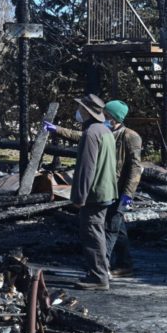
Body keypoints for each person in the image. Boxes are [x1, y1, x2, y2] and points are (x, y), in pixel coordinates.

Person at [47, 100, 142, 276]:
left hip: (119, 190)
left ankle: (102, 268)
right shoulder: (105, 131)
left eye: (107, 115)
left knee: (110, 228)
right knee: (117, 227)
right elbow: (81, 135)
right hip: (108, 186)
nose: (103, 118)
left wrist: (128, 194)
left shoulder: (130, 136)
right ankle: (124, 263)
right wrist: (57, 130)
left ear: (114, 118)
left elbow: (136, 167)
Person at [59, 94, 117, 290]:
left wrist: (78, 197)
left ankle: (98, 276)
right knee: (98, 231)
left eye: (81, 108)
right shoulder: (105, 131)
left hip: (94, 193)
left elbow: (86, 168)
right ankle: (102, 271)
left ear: (86, 111)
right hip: (106, 190)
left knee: (92, 234)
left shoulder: (91, 133)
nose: (79, 111)